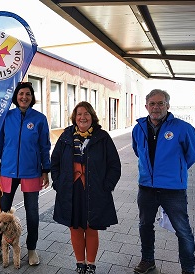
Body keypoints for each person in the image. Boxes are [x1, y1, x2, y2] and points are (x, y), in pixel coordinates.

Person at [132, 89, 195, 274]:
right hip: (146, 187)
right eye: (152, 103)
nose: (156, 107)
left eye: (160, 103)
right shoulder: (138, 128)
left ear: (167, 106)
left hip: (173, 189)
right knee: (145, 225)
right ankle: (148, 260)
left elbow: (192, 155)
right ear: (146, 106)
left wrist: (173, 172)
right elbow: (138, 151)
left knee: (182, 230)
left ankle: (188, 268)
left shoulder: (183, 128)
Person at [0, 81, 51, 266]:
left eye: (28, 94)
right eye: (21, 94)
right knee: (1, 212)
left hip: (31, 172)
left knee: (32, 213)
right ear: (16, 97)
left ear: (32, 97)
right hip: (7, 171)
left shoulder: (39, 119)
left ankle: (31, 249)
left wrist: (46, 170)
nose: (24, 97)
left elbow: (45, 146)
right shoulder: (6, 117)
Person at [51, 101, 121, 274]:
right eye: (79, 114)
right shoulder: (66, 136)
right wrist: (59, 183)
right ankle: (80, 264)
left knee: (91, 227)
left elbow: (114, 165)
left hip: (95, 190)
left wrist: (107, 186)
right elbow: (55, 162)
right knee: (75, 227)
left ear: (92, 117)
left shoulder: (102, 137)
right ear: (75, 117)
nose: (82, 117)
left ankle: (91, 264)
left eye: (86, 114)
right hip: (70, 190)